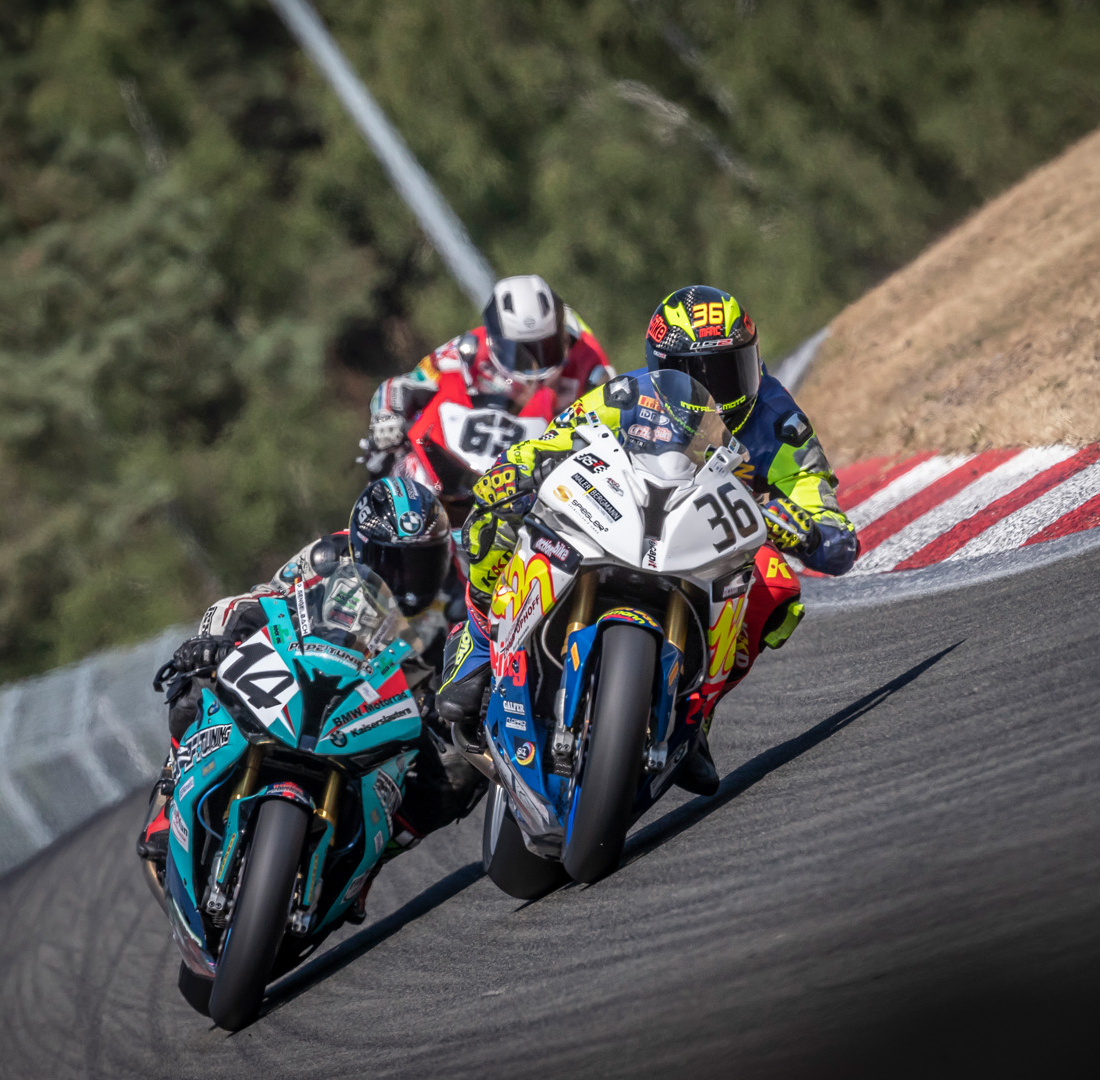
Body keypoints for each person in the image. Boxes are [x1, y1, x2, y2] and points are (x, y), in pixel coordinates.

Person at [435, 285, 859, 795]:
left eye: (728, 370)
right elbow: (549, 441)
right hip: (623, 514)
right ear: (661, 366)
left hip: (707, 545)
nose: (715, 391)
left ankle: (697, 711)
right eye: (693, 374)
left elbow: (838, 539)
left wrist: (805, 527)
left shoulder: (779, 423)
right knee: (497, 512)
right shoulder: (626, 394)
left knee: (777, 585)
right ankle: (478, 643)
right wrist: (516, 470)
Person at [137, 477, 485, 921]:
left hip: (393, 705)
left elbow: (474, 661)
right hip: (307, 669)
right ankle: (170, 797)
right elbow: (263, 600)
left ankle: (366, 866)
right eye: (392, 561)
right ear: (362, 545)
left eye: (422, 562)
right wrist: (216, 641)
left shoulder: (460, 591)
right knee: (196, 685)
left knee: (459, 774)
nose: (406, 578)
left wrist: (456, 710)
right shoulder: (326, 556)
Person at [359, 274, 614, 476]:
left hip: (534, 475)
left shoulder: (588, 362)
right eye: (520, 352)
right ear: (496, 339)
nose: (535, 363)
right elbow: (405, 384)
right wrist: (386, 417)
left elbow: (615, 413)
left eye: (547, 346)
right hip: (454, 460)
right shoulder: (469, 348)